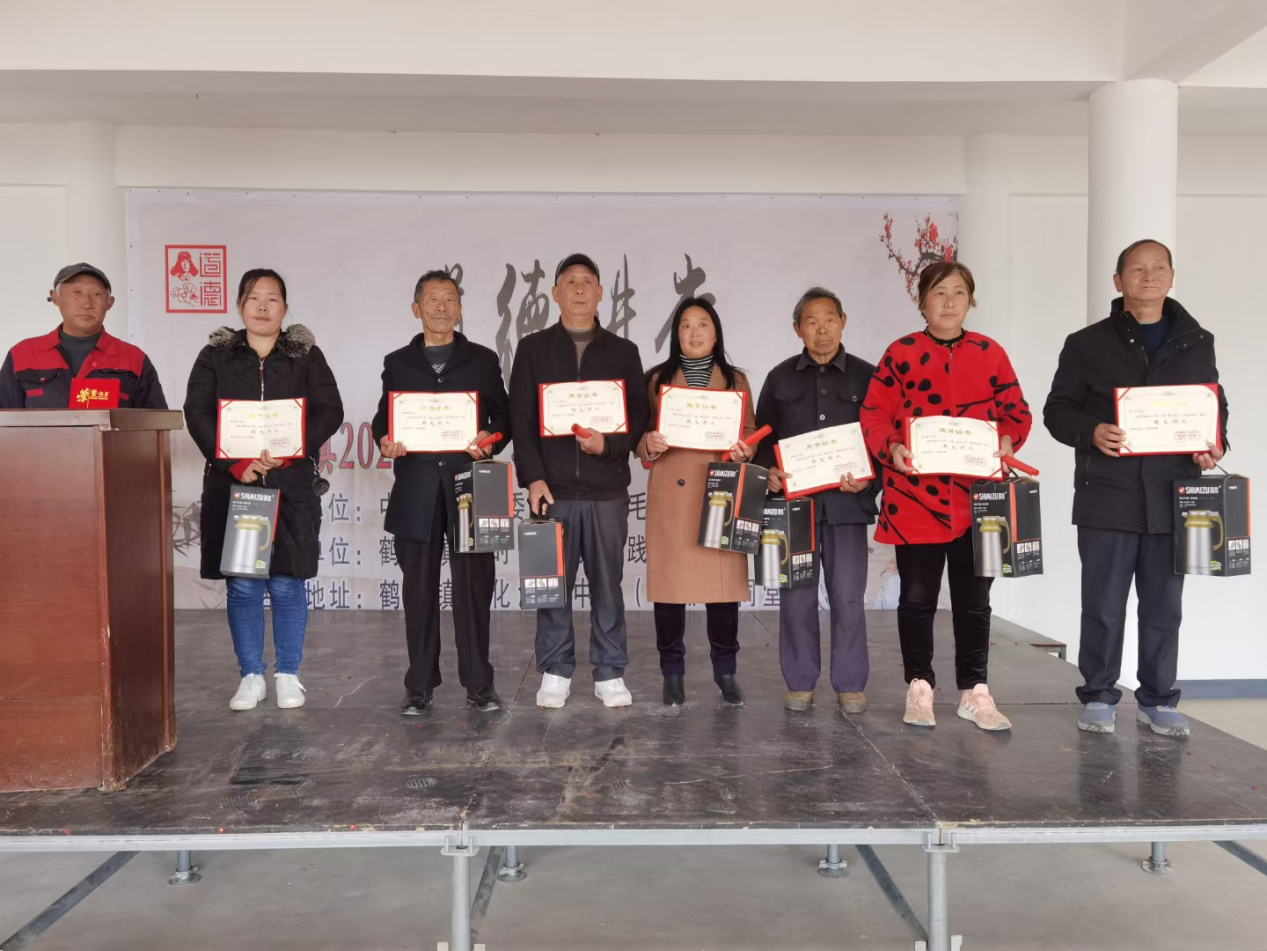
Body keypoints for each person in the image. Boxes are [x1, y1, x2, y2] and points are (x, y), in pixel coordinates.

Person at [1044, 239, 1229, 737]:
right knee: (1103, 605)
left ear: (1172, 276)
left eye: (1159, 268)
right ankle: (1098, 694)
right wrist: (1091, 431)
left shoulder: (1197, 341)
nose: (1149, 276)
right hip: (1107, 493)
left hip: (1173, 496)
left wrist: (1214, 444)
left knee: (1164, 607)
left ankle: (1159, 700)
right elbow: (1057, 411)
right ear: (1118, 280)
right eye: (1137, 269)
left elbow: (1214, 405)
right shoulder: (1085, 343)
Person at [861, 262, 1031, 731]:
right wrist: (891, 447)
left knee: (975, 600)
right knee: (916, 598)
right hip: (914, 497)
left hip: (978, 502)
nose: (950, 302)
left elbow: (1017, 412)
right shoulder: (901, 353)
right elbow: (874, 414)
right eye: (939, 293)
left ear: (970, 300)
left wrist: (1008, 439)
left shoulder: (990, 353)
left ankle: (975, 690)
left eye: (959, 292)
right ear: (922, 301)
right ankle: (919, 686)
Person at [184, 269, 344, 711]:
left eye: (272, 298)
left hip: (291, 484)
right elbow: (197, 412)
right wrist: (235, 464)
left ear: (285, 308)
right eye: (254, 297)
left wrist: (292, 451)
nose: (262, 306)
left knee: (288, 583)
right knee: (243, 586)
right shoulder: (215, 355)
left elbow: (329, 410)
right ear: (240, 305)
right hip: (236, 483)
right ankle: (251, 675)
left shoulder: (306, 355)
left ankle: (288, 674)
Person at [508, 253, 650, 709]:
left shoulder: (623, 352)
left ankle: (610, 671)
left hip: (607, 490)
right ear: (555, 293)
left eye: (588, 281)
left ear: (600, 293)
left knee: (609, 583)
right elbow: (521, 420)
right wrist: (533, 479)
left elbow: (638, 419)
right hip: (552, 491)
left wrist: (607, 445)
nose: (579, 288)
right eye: (570, 281)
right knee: (551, 584)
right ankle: (555, 669)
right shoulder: (533, 350)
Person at [373, 269, 511, 716]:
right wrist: (385, 440)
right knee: (419, 591)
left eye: (450, 298)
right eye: (432, 299)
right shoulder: (398, 363)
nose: (441, 307)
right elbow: (384, 420)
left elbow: (503, 418)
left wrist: (489, 440)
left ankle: (479, 683)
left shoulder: (482, 360)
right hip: (417, 489)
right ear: (416, 309)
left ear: (460, 308)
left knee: (474, 589)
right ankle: (419, 684)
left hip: (471, 488)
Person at [755, 287, 878, 713]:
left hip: (847, 506)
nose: (821, 330)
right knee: (796, 596)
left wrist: (870, 482)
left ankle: (850, 683)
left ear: (843, 322)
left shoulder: (868, 377)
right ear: (797, 329)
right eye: (811, 322)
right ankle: (800, 681)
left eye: (829, 319)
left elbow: (882, 440)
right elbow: (762, 438)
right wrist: (768, 472)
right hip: (794, 509)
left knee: (848, 596)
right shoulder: (780, 378)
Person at [636, 297, 757, 706]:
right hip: (673, 495)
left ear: (716, 332)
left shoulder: (737, 381)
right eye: (685, 325)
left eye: (703, 323)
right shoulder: (656, 380)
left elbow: (750, 431)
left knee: (722, 591)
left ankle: (726, 672)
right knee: (669, 590)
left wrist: (746, 449)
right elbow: (638, 437)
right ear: (676, 334)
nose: (694, 332)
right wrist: (647, 443)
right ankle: (672, 674)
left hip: (721, 493)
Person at [0, 262, 167, 409]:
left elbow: (157, 425)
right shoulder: (22, 355)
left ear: (109, 303)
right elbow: (4, 423)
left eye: (96, 294)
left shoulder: (134, 359)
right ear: (55, 298)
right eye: (76, 293)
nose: (87, 304)